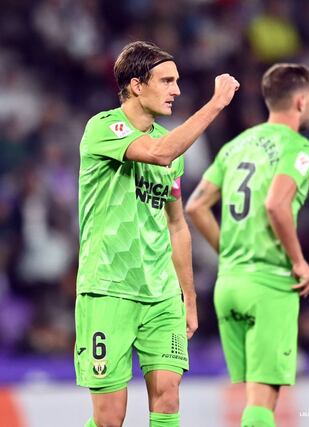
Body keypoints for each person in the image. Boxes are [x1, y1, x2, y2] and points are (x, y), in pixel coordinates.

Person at [74, 40, 239, 427]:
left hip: (161, 295)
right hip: (108, 289)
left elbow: (177, 225)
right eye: (166, 81)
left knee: (168, 397)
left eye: (177, 81)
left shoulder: (174, 148)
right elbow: (159, 152)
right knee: (110, 417)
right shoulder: (103, 128)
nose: (176, 90)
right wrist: (215, 104)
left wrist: (189, 298)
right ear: (136, 85)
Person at [186, 63, 309, 427]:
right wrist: (299, 262)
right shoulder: (299, 147)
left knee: (252, 401)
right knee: (262, 404)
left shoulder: (235, 146)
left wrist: (228, 253)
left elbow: (196, 206)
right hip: (269, 284)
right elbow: (276, 203)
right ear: (301, 100)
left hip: (229, 284)